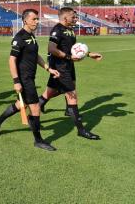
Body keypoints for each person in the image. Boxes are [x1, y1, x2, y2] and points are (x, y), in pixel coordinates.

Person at [0, 9, 60, 151]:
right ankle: (38, 140)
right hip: (24, 79)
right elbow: (11, 60)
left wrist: (48, 68)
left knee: (19, 105)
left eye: (37, 19)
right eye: (34, 19)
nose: (37, 21)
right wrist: (16, 81)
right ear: (25, 20)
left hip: (30, 77)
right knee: (35, 108)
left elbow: (36, 56)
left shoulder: (32, 36)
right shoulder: (19, 38)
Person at [39, 7, 103, 140]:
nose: (76, 19)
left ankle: (36, 109)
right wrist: (68, 57)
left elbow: (75, 49)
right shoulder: (57, 30)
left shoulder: (70, 30)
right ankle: (81, 130)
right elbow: (51, 48)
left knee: (50, 92)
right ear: (64, 18)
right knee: (72, 96)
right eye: (73, 17)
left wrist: (90, 54)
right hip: (60, 66)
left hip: (68, 65)